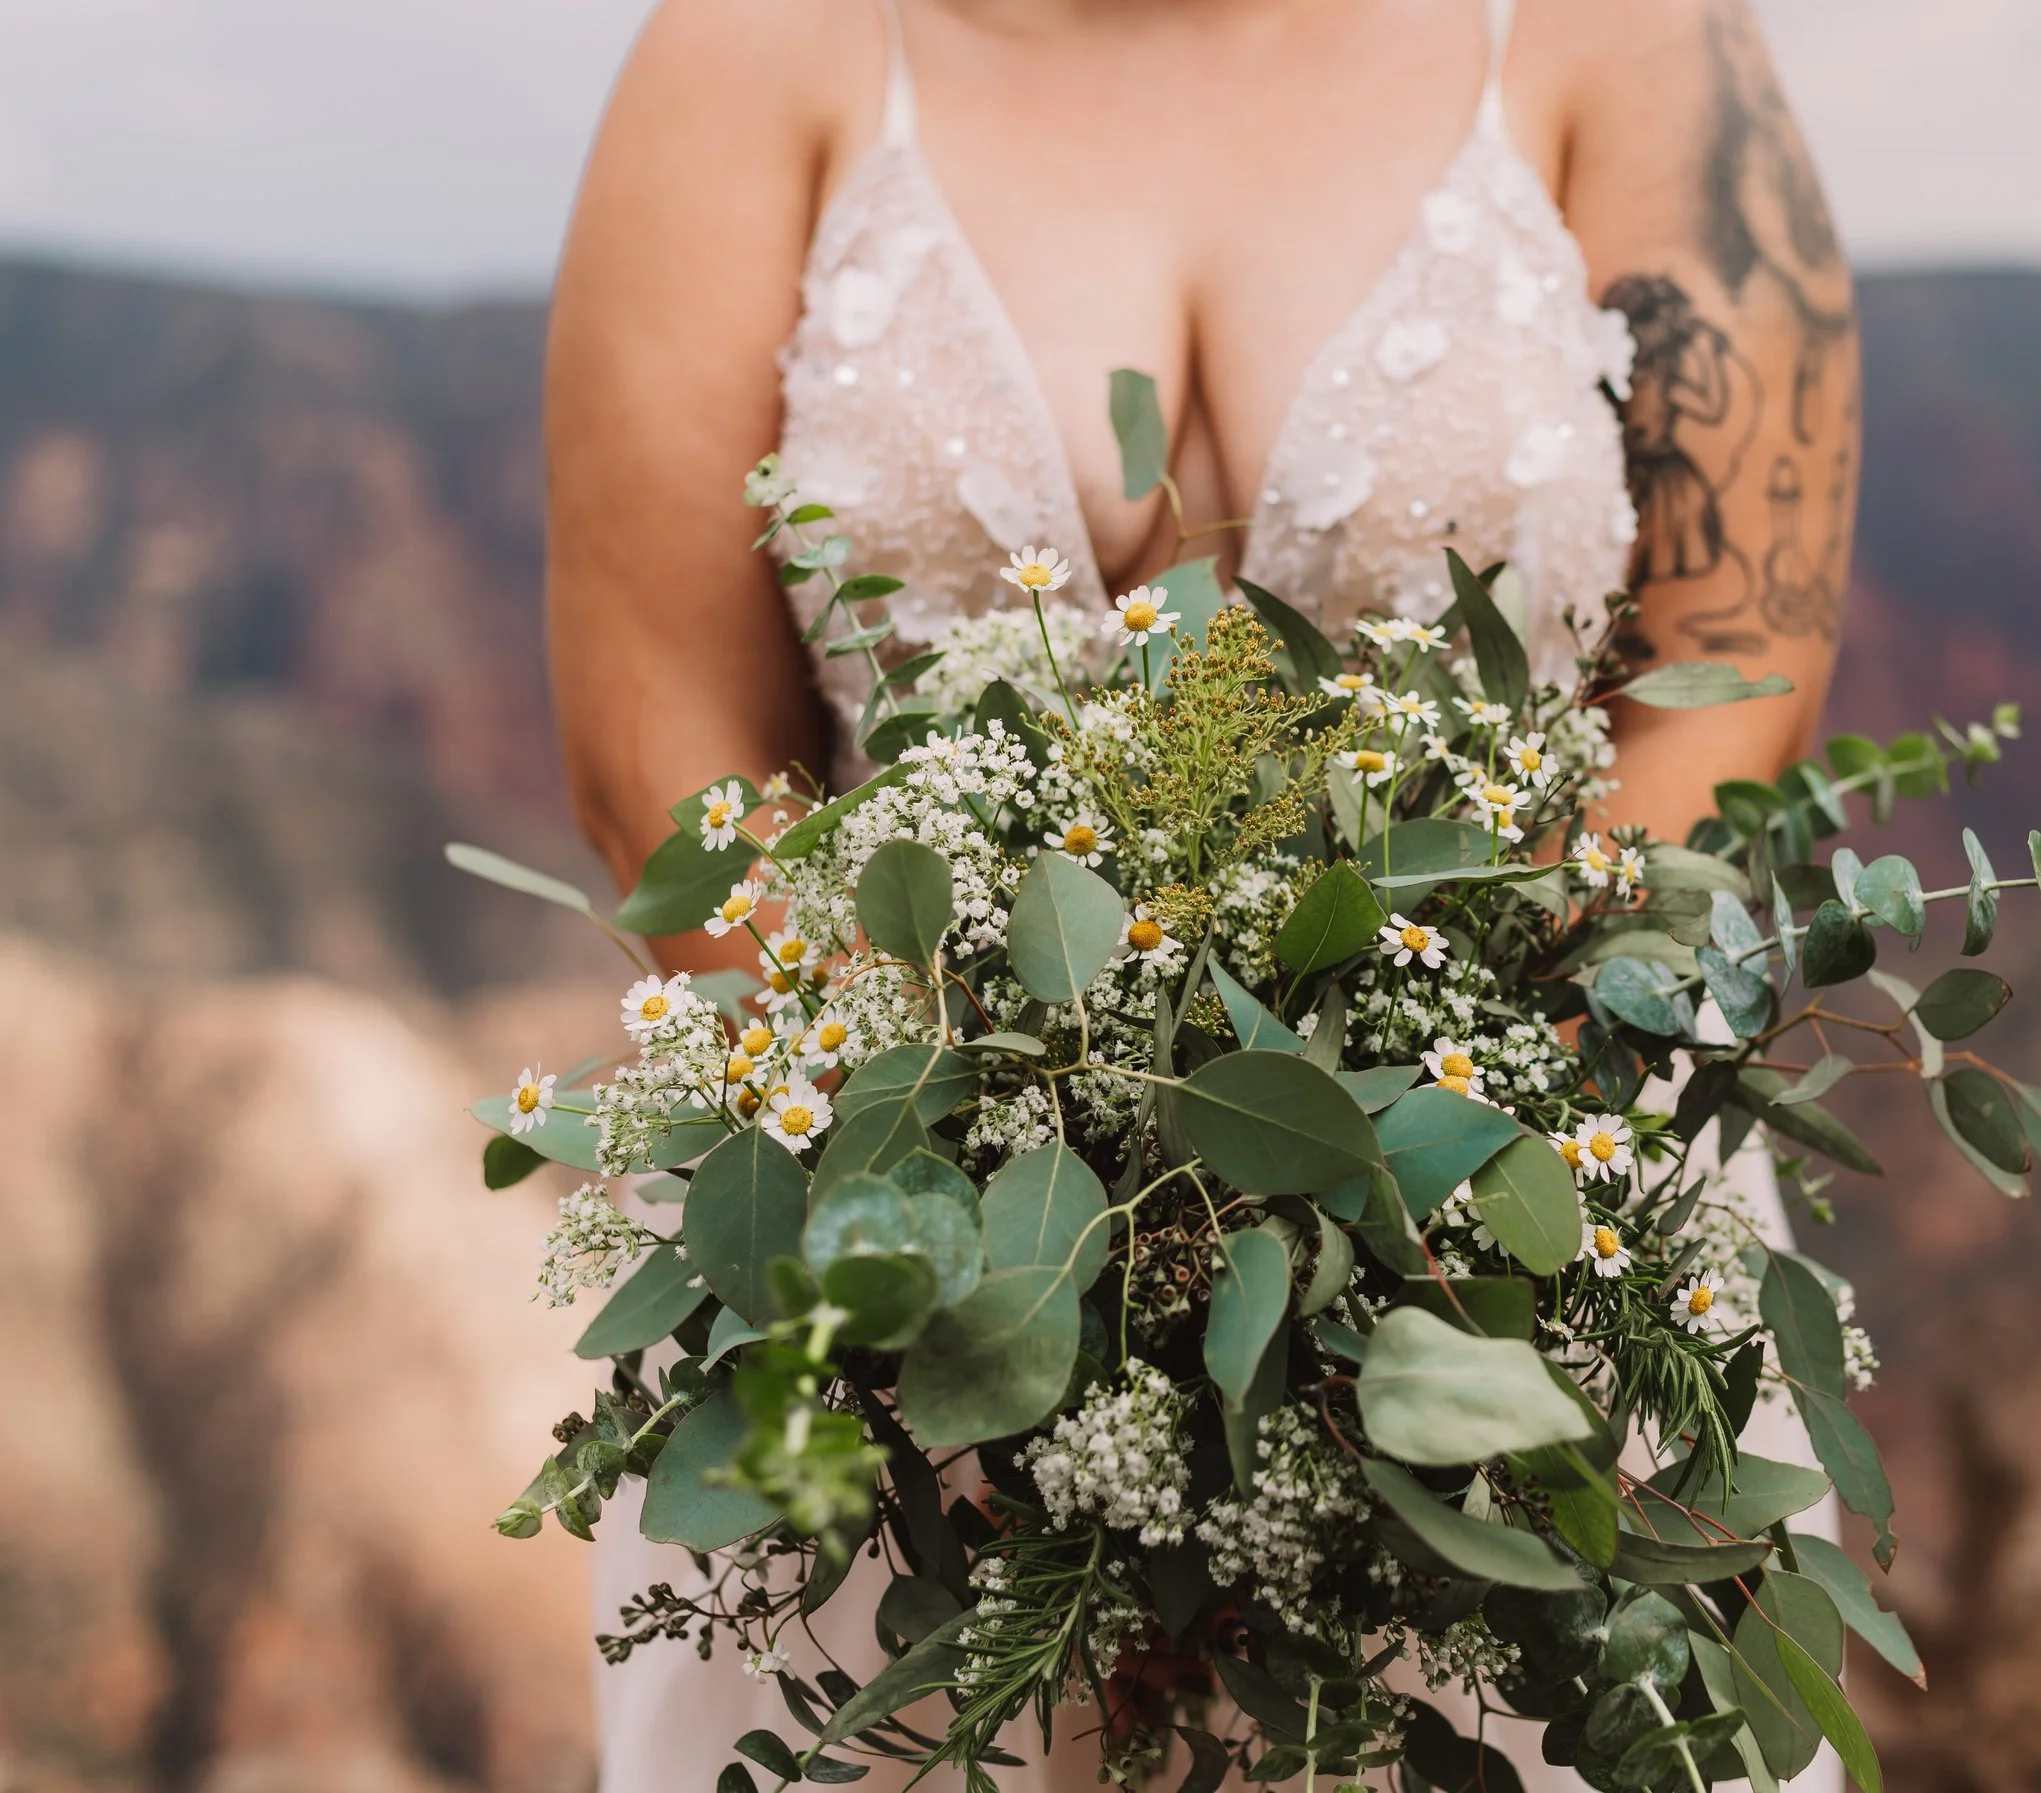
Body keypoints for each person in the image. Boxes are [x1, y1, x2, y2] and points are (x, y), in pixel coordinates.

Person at [544, 1, 1858, 1787]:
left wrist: (1443, 1197)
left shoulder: (1628, 37)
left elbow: (1735, 664)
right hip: (895, 1287)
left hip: (1541, 1258)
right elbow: (662, 757)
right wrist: (993, 1222)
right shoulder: (754, 49)